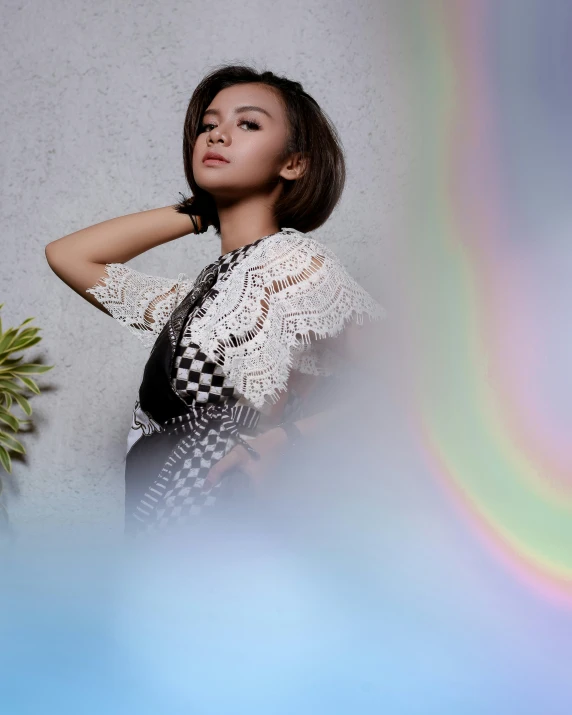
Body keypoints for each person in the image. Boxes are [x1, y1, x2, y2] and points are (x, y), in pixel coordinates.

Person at [45, 63, 386, 537]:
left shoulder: (292, 263)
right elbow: (69, 256)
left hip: (229, 527)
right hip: (165, 530)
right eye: (208, 125)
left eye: (247, 123)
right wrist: (198, 210)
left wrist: (286, 439)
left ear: (294, 163)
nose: (218, 136)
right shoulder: (203, 294)